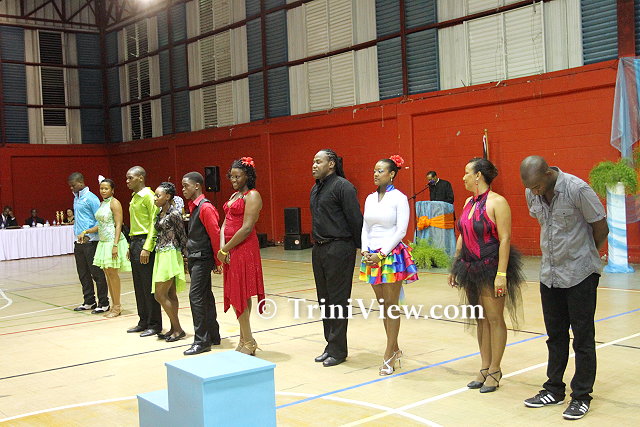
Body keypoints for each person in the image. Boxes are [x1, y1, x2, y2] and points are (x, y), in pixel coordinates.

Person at [520, 155, 608, 420]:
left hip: (580, 274)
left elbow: (601, 227)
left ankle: (581, 396)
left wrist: (585, 254)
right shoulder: (532, 192)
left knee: (583, 338)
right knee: (555, 336)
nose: (534, 192)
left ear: (548, 173)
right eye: (530, 188)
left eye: (537, 186)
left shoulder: (577, 189)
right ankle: (554, 389)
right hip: (550, 275)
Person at [449, 158, 524, 393]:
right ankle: (484, 367)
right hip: (469, 266)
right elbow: (462, 234)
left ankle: (495, 369)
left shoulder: (498, 202)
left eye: (467, 173)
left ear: (478, 176)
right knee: (480, 318)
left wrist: (501, 273)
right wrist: (455, 265)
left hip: (491, 266)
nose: (463, 177)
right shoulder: (468, 202)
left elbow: (505, 239)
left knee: (494, 318)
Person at [360, 155, 418, 376]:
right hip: (371, 255)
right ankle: (394, 348)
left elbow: (401, 230)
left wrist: (382, 254)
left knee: (391, 306)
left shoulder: (399, 198)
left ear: (392, 174)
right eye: (374, 170)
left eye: (380, 170)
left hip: (391, 256)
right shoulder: (369, 198)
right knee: (383, 305)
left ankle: (389, 353)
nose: (375, 174)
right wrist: (365, 250)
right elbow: (365, 227)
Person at [310, 149, 363, 367]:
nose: (314, 165)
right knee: (324, 300)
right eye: (313, 162)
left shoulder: (343, 187)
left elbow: (355, 219)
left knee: (338, 300)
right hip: (319, 249)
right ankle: (330, 345)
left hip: (339, 248)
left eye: (318, 161)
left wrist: (361, 248)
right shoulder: (315, 188)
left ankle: (339, 350)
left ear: (331, 164)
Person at [217, 157, 266, 355]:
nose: (234, 179)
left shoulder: (253, 195)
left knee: (240, 294)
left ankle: (250, 341)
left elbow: (246, 228)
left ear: (248, 176)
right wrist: (222, 248)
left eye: (238, 176)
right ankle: (244, 339)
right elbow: (225, 223)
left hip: (243, 248)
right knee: (239, 294)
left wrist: (226, 249)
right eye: (232, 176)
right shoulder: (234, 195)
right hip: (230, 250)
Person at [182, 171, 222, 355]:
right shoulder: (194, 207)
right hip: (195, 256)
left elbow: (215, 234)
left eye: (186, 186)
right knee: (205, 296)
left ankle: (201, 341)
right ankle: (213, 335)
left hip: (202, 257)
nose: (183, 190)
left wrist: (218, 260)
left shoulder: (205, 207)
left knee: (196, 296)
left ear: (197, 186)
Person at [79, 179, 130, 318]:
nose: (103, 191)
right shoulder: (102, 204)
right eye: (101, 188)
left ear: (112, 190)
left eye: (106, 188)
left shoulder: (115, 203)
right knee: (108, 275)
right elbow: (101, 225)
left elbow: (118, 225)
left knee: (113, 275)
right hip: (103, 242)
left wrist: (115, 245)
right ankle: (114, 305)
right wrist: (86, 231)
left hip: (112, 242)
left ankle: (117, 307)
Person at [126, 166, 162, 337]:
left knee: (148, 286)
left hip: (144, 242)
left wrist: (147, 247)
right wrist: (130, 245)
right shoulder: (134, 197)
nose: (127, 181)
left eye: (130, 178)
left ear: (140, 178)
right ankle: (143, 320)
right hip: (135, 241)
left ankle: (154, 324)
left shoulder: (148, 196)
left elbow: (154, 223)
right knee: (139, 286)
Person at [68, 173, 109, 313]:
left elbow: (100, 220)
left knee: (97, 274)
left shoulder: (91, 198)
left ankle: (104, 303)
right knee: (83, 274)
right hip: (78, 241)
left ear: (81, 182)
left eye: (73, 185)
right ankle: (89, 301)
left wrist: (89, 234)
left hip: (91, 241)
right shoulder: (76, 198)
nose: (71, 188)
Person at [152, 182, 188, 342]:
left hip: (171, 254)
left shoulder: (174, 214)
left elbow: (182, 236)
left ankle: (178, 329)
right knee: (170, 294)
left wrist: (186, 258)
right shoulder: (159, 212)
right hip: (161, 253)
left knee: (159, 295)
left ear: (167, 196)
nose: (155, 198)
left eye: (158, 195)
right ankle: (174, 328)